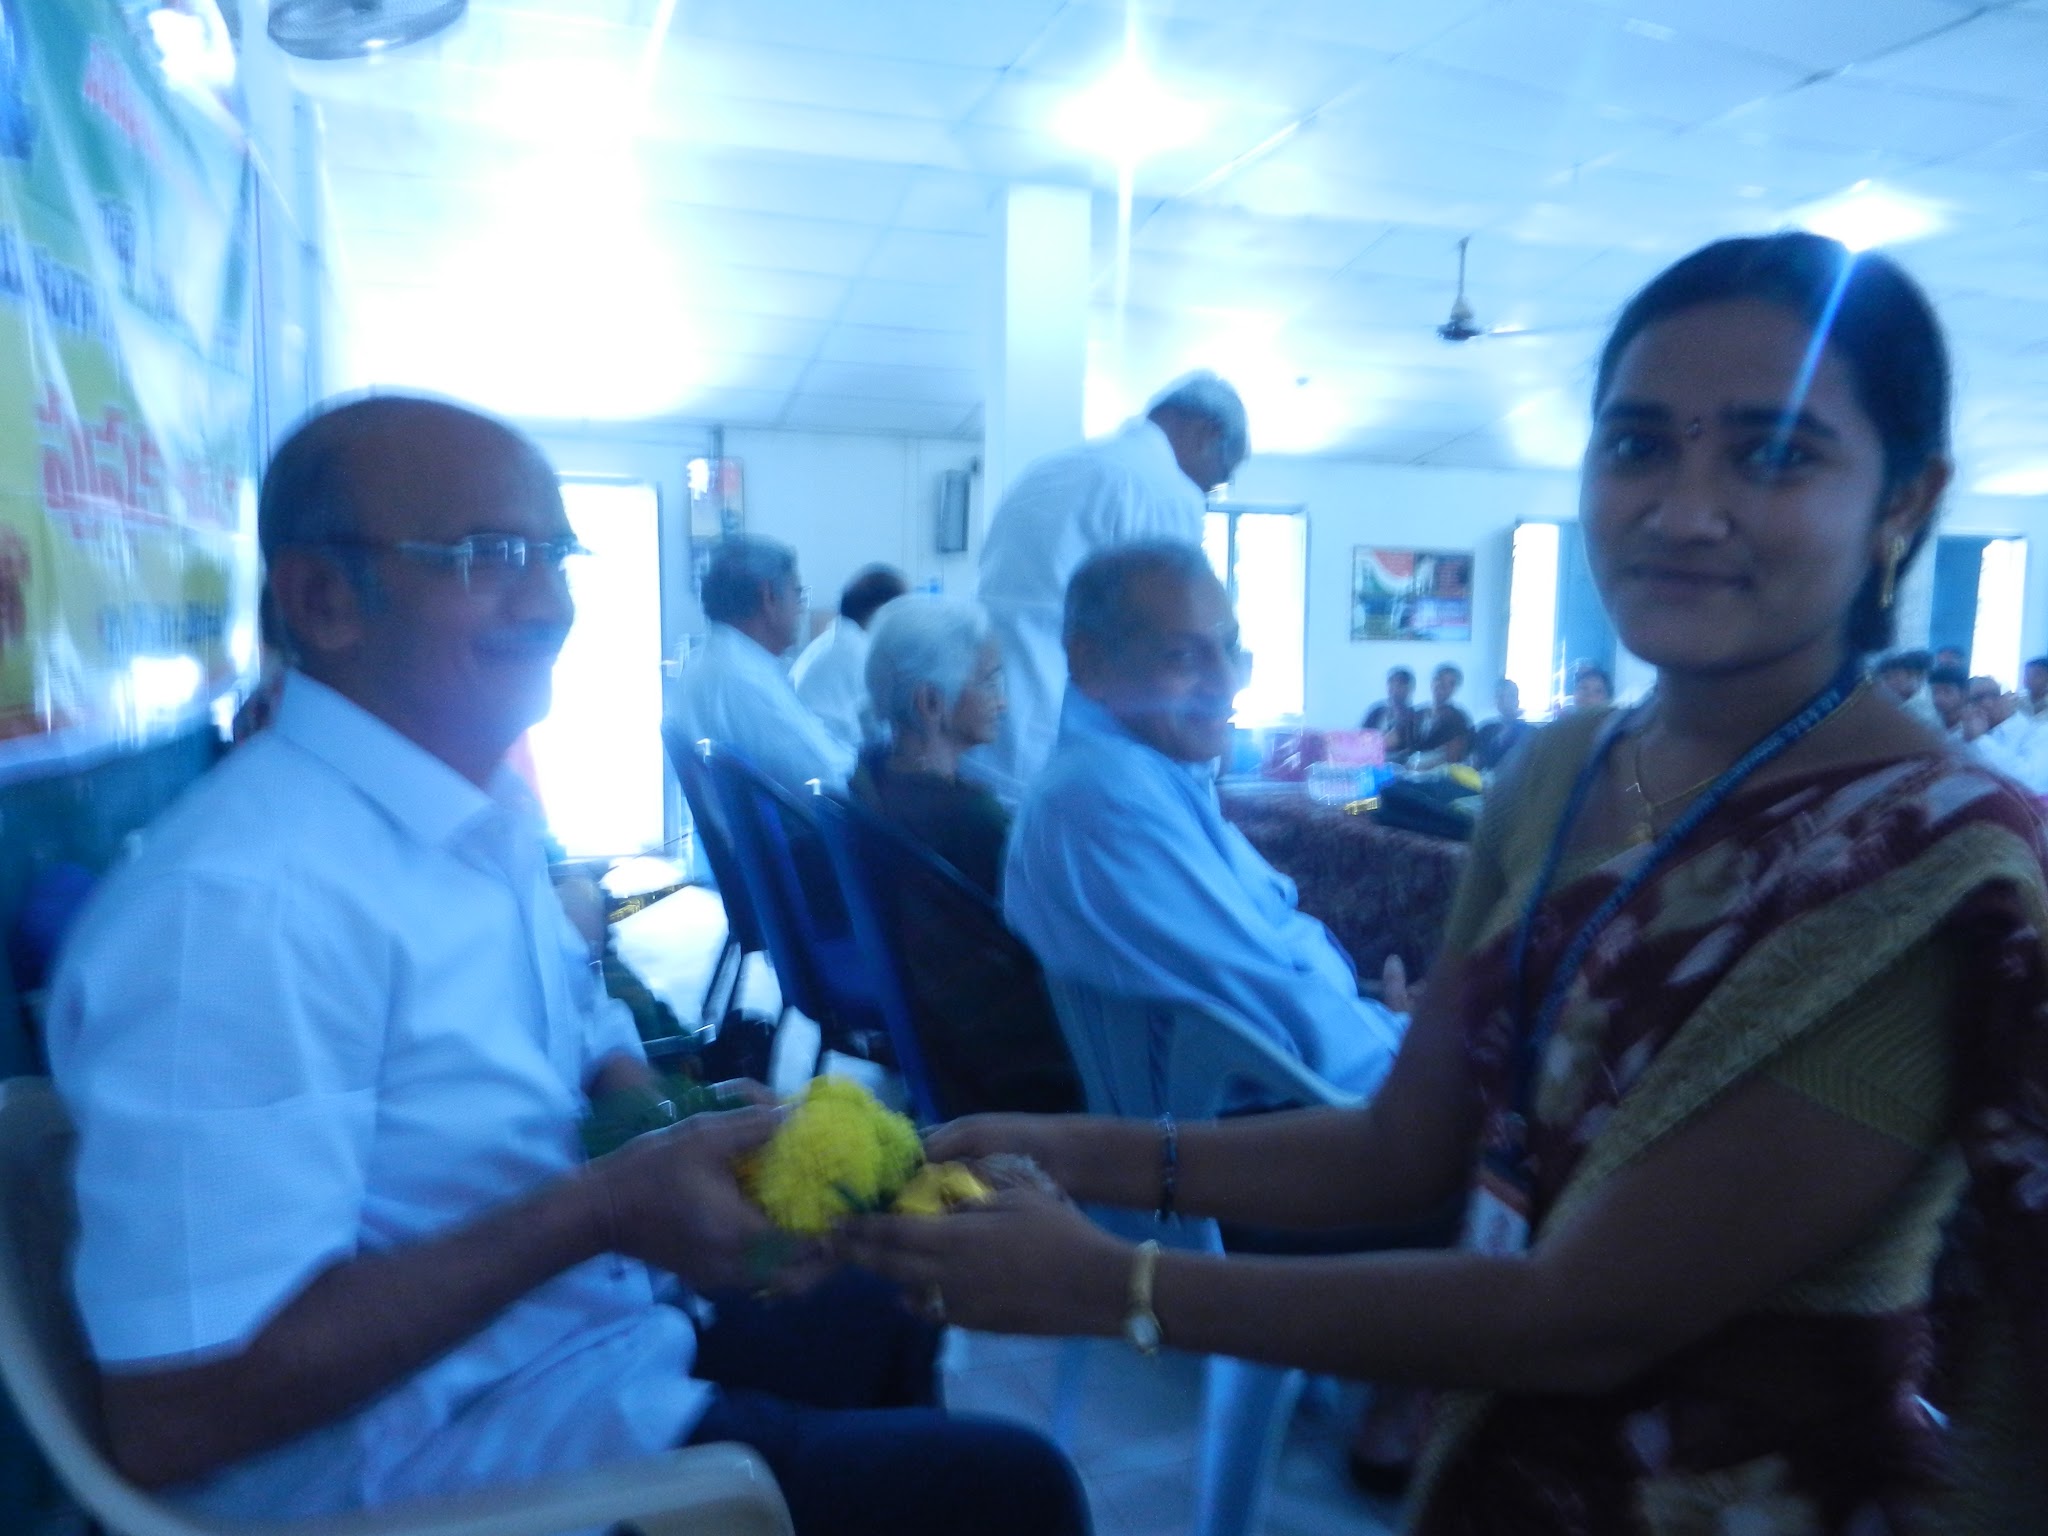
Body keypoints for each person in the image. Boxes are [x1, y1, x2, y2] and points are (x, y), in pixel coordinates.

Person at [841, 233, 2048, 1530]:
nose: (1683, 508)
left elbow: (1584, 1317)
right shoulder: (1565, 771)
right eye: (1637, 443)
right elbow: (1401, 1152)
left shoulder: (1939, 863)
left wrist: (1114, 1285)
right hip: (1488, 1481)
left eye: (1772, 454)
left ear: (1904, 502)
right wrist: (1065, 1146)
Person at [44, 397, 1086, 1536]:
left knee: (887, 1299)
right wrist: (603, 1211)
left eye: (555, 553)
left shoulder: (471, 816)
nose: (550, 603)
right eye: (489, 557)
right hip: (431, 1464)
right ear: (322, 598)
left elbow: (587, 1054)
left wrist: (689, 1130)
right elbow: (181, 1410)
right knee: (1012, 1491)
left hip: (573, 1336)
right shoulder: (238, 910)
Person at [1004, 541, 1407, 1101]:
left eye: (1231, 648)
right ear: (1090, 663)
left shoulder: (1149, 772)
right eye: (1182, 657)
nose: (1228, 682)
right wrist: (1412, 1039)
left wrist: (1378, 1009)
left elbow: (1270, 965)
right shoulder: (1105, 798)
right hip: (1272, 1130)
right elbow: (1286, 1028)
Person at [848, 594, 1082, 1117]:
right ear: (932, 703)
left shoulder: (874, 780)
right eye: (991, 681)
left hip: (939, 1034)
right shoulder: (967, 819)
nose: (1004, 702)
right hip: (1012, 1054)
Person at [975, 372, 1248, 801]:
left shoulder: (1050, 469)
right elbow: (1177, 638)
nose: (1208, 493)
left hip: (986, 722)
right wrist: (1205, 755)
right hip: (1061, 745)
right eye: (1218, 479)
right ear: (1207, 434)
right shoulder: (1163, 490)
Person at [671, 535, 856, 794]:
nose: (801, 609)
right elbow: (826, 779)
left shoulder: (712, 661)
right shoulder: (742, 678)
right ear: (768, 597)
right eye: (798, 594)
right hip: (811, 816)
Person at [791, 564, 910, 754]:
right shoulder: (859, 654)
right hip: (832, 755)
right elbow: (886, 728)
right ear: (883, 612)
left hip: (820, 748)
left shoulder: (834, 642)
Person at [1410, 663, 1474, 767]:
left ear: (1455, 688)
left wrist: (1421, 765)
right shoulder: (1418, 714)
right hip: (1407, 770)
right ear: (1432, 682)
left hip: (1439, 774)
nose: (1442, 685)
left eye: (1450, 683)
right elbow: (1406, 746)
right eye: (1438, 679)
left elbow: (1453, 757)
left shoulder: (1459, 719)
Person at [1471, 679, 1536, 773]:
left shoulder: (1530, 733)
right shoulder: (1485, 730)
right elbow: (1475, 765)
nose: (1504, 700)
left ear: (1517, 701)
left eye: (1510, 696)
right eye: (1500, 696)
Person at [1361, 665, 1419, 755]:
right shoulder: (1376, 712)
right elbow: (1361, 739)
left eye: (1401, 684)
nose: (1395, 688)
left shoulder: (1415, 717)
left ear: (1410, 689)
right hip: (1369, 759)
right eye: (1391, 683)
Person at [1878, 647, 1942, 727]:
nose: (1890, 682)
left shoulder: (1933, 702)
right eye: (1886, 678)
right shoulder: (1888, 701)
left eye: (1896, 676)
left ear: (1916, 676)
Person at [1927, 662, 1969, 735]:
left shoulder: (1972, 730)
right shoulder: (1927, 724)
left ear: (1964, 694)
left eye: (1947, 691)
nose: (1939, 697)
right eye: (1935, 691)